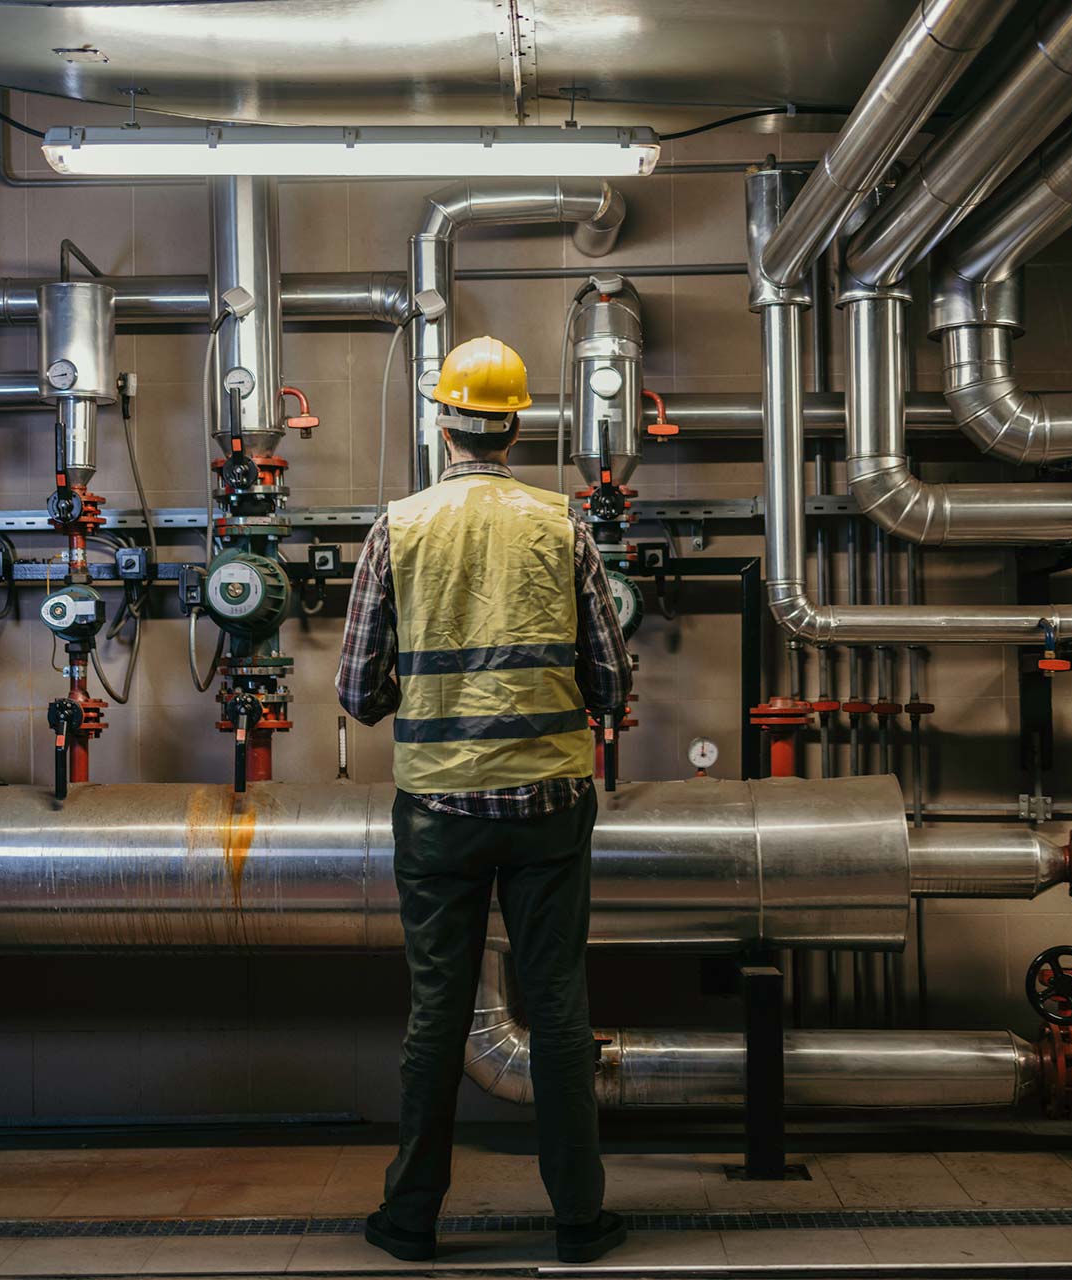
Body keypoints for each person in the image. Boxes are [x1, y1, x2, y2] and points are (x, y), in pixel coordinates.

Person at [337, 334, 632, 1265]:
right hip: (549, 804)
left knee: (437, 1013)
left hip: (439, 813)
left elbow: (355, 688)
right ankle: (579, 1220)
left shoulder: (399, 525)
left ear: (443, 422)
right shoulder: (563, 524)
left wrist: (410, 700)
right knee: (557, 1013)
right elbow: (614, 682)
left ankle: (411, 1218)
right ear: (516, 425)